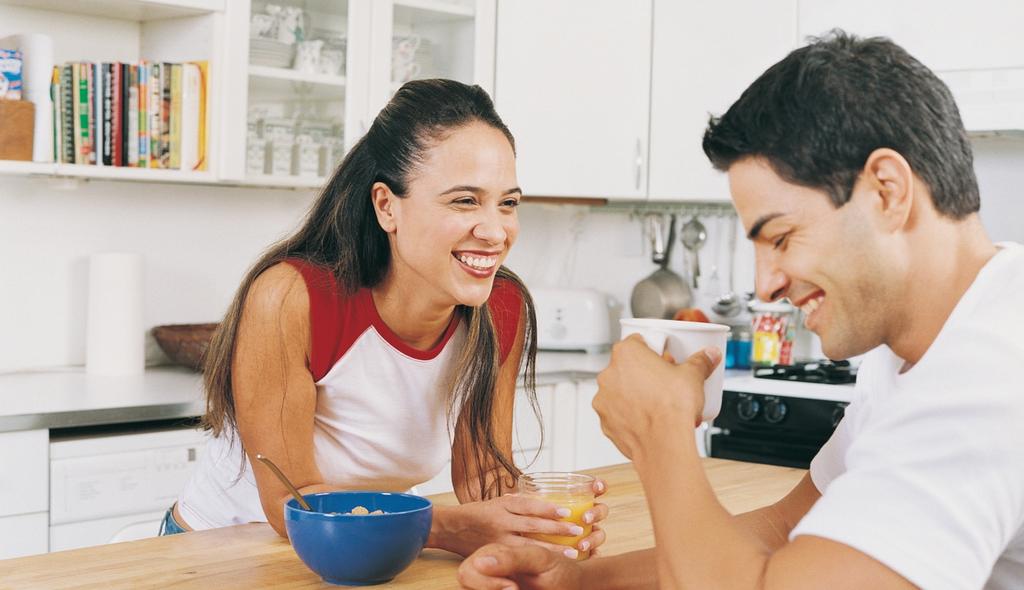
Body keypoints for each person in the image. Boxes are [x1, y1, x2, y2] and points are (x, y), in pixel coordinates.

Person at [457, 31, 1024, 589]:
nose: (766, 285)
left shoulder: (987, 371)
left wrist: (662, 435)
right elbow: (784, 531)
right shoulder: (926, 340)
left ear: (887, 191)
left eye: (781, 237)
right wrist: (581, 582)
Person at [159, 79, 607, 559]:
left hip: (378, 547)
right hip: (230, 551)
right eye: (465, 200)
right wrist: (445, 528)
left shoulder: (501, 308)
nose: (496, 230)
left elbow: (481, 474)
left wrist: (529, 520)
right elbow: (293, 504)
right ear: (386, 206)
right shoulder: (294, 298)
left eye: (509, 203)